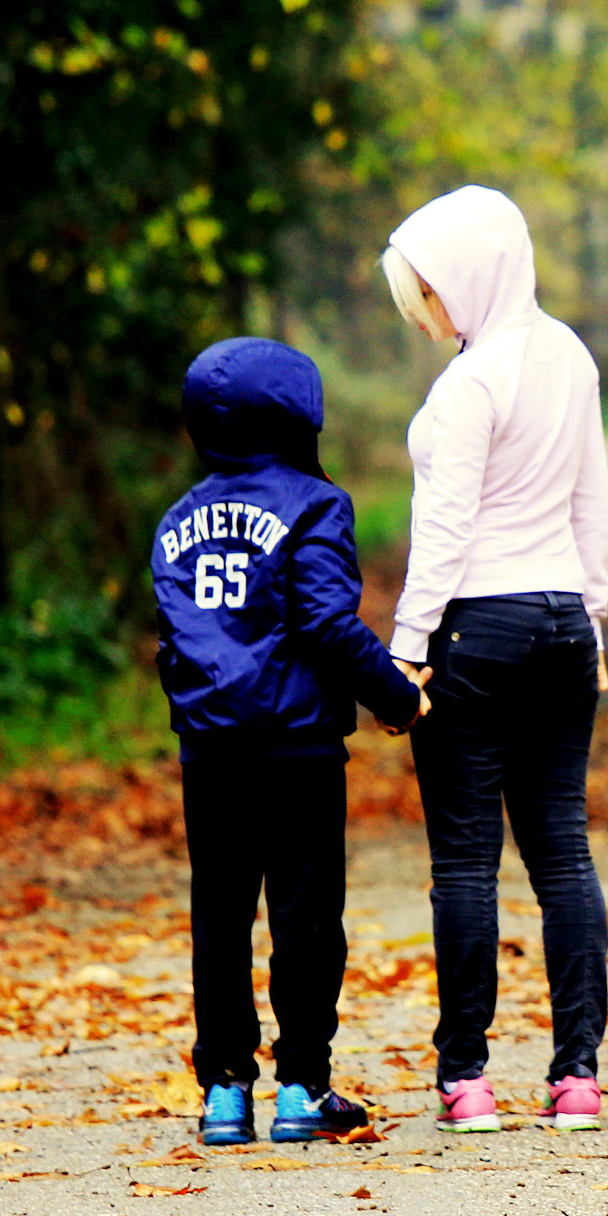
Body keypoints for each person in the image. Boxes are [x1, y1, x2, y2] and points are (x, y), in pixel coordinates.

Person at [151, 336, 431, 1147]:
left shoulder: (177, 519)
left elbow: (178, 637)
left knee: (221, 912)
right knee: (306, 916)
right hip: (297, 747)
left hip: (210, 748)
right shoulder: (313, 503)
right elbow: (324, 623)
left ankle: (224, 1093)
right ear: (300, 413)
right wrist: (398, 696)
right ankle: (303, 1085)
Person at [380, 185, 608, 1134]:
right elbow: (593, 499)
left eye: (430, 295)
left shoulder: (472, 385)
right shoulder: (571, 356)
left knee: (467, 864)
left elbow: (446, 529)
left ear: (472, 278)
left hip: (475, 628)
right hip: (560, 623)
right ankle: (579, 1078)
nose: (427, 316)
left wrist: (404, 651)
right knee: (562, 850)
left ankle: (466, 1080)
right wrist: (591, 620)